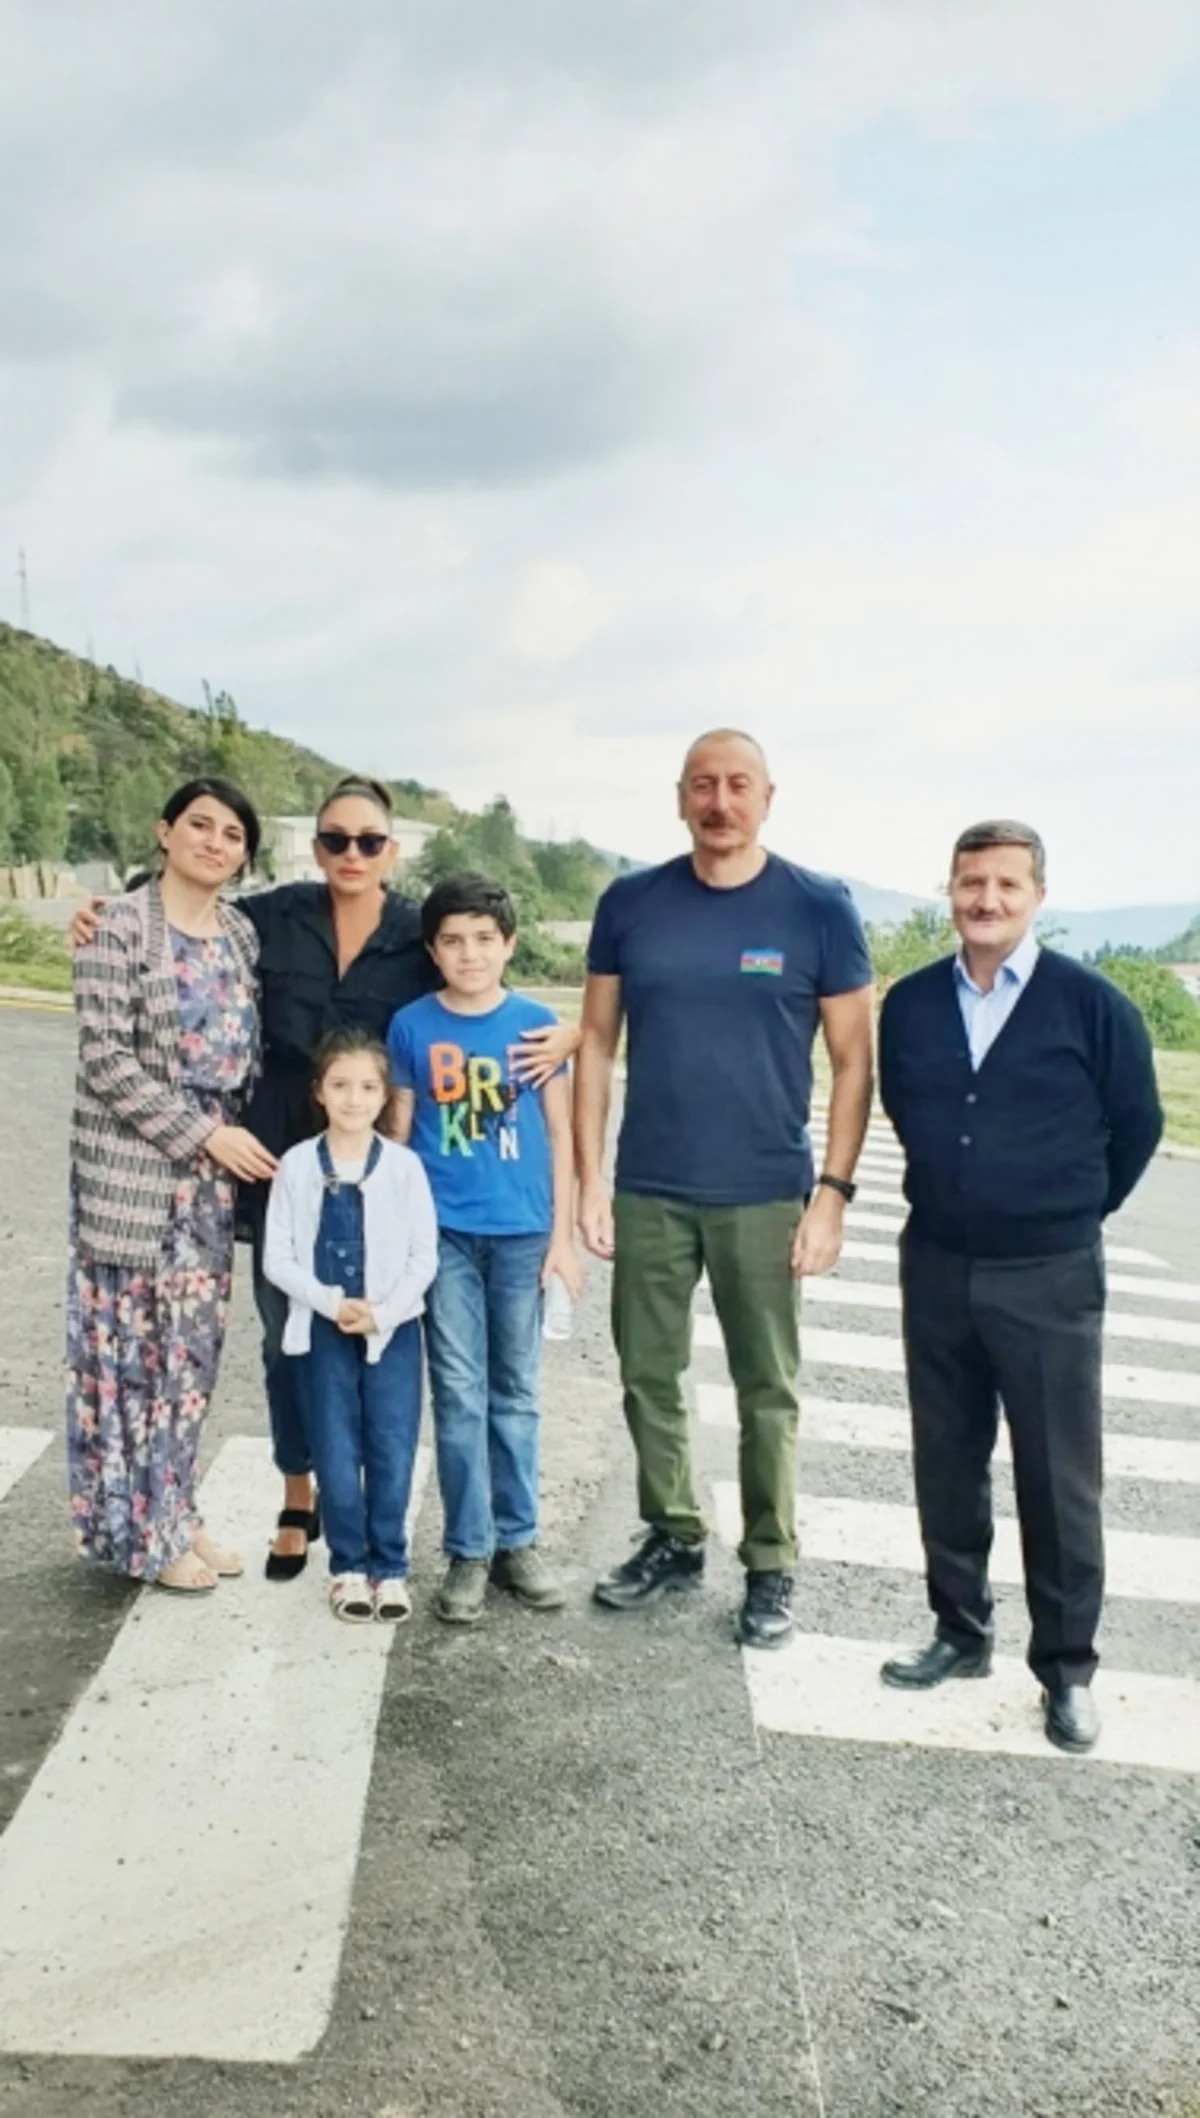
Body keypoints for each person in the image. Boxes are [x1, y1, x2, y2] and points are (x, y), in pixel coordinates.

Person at [70, 774, 578, 1582]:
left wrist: (573, 1032)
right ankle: (297, 1496)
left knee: (376, 1339)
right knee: (288, 1338)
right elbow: (180, 910)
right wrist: (101, 911)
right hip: (273, 1159)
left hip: (373, 1170)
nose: (352, 853)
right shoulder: (270, 916)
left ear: (391, 851)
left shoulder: (415, 934)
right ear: (315, 847)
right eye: (336, 839)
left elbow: (478, 991)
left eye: (369, 841)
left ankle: (370, 1516)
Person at [575, 730, 875, 1648]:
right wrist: (590, 1180)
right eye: (702, 785)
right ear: (680, 798)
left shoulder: (818, 908)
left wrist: (832, 1194)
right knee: (647, 1375)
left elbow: (854, 1060)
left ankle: (771, 1562)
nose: (720, 802)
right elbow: (596, 1043)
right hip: (651, 1187)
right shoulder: (631, 904)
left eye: (738, 784)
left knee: (765, 1388)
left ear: (768, 798)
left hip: (765, 1192)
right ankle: (673, 1535)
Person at [877, 820, 1163, 1754]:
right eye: (971, 883)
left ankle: (1068, 1668)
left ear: (1039, 895)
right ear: (949, 891)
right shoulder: (912, 1003)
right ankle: (959, 1631)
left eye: (1006, 884)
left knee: (1056, 1475)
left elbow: (1138, 1125)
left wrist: (1067, 1211)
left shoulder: (1092, 1005)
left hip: (1049, 1273)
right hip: (938, 1262)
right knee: (946, 1457)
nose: (986, 900)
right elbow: (906, 1107)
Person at [67, 777, 276, 1592]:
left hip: (210, 1184)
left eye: (233, 834)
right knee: (132, 1359)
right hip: (136, 1170)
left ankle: (175, 1513)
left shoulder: (239, 933)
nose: (215, 843)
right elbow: (106, 1059)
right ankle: (141, 1535)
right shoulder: (118, 927)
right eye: (200, 825)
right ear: (164, 832)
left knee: (189, 1358)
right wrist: (203, 1135)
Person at [388, 874, 582, 1625]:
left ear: (509, 944)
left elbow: (562, 1134)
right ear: (433, 950)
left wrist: (563, 1239)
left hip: (523, 1234)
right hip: (443, 1237)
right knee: (458, 1391)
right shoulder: (411, 1026)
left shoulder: (537, 1026)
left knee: (516, 1392)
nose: (469, 953)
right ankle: (468, 1549)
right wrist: (395, 1235)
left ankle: (517, 1542)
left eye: (483, 939)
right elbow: (400, 1136)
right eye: (452, 941)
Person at [263, 1028, 438, 1622]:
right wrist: (331, 1302)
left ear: (385, 1095)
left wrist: (382, 1314)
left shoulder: (404, 1168)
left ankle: (390, 1566)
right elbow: (278, 1257)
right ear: (319, 1091)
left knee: (391, 1443)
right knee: (335, 1446)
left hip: (392, 1329)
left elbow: (423, 1257)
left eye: (367, 1087)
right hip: (322, 1328)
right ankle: (348, 1567)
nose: (354, 1099)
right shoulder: (296, 1165)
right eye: (340, 1085)